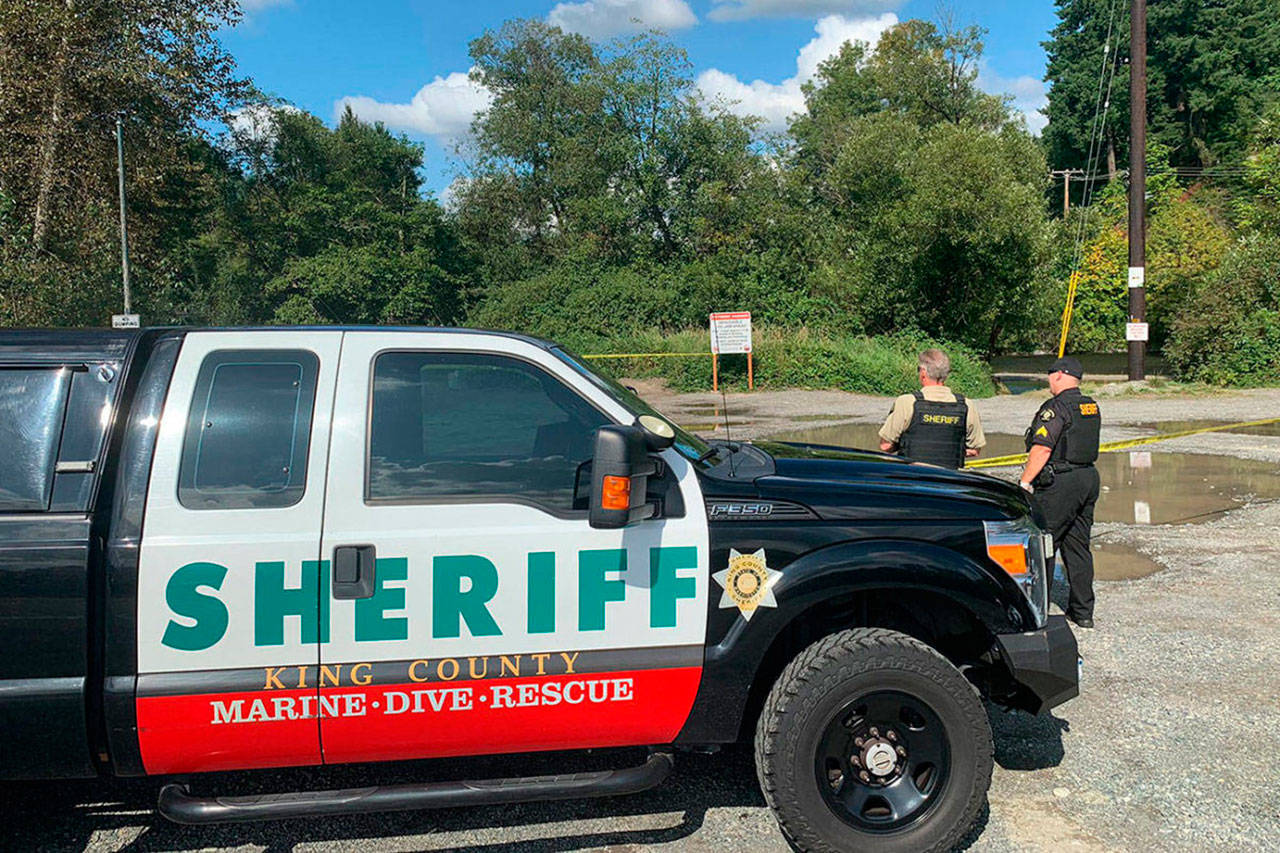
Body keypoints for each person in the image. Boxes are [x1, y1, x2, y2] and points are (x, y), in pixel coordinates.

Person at [1018, 356, 1101, 629]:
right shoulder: (1090, 405)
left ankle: (1036, 610)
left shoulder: (1056, 407)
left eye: (1051, 375)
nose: (1049, 380)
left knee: (1043, 544)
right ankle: (1083, 612)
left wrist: (1025, 481)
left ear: (1059, 376)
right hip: (1087, 478)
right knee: (1078, 546)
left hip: (1061, 482)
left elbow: (1042, 447)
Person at [879, 349, 986, 468]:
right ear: (946, 374)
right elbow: (975, 450)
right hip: (949, 480)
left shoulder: (907, 402)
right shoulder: (966, 405)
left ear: (923, 373)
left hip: (914, 478)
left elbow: (885, 446)